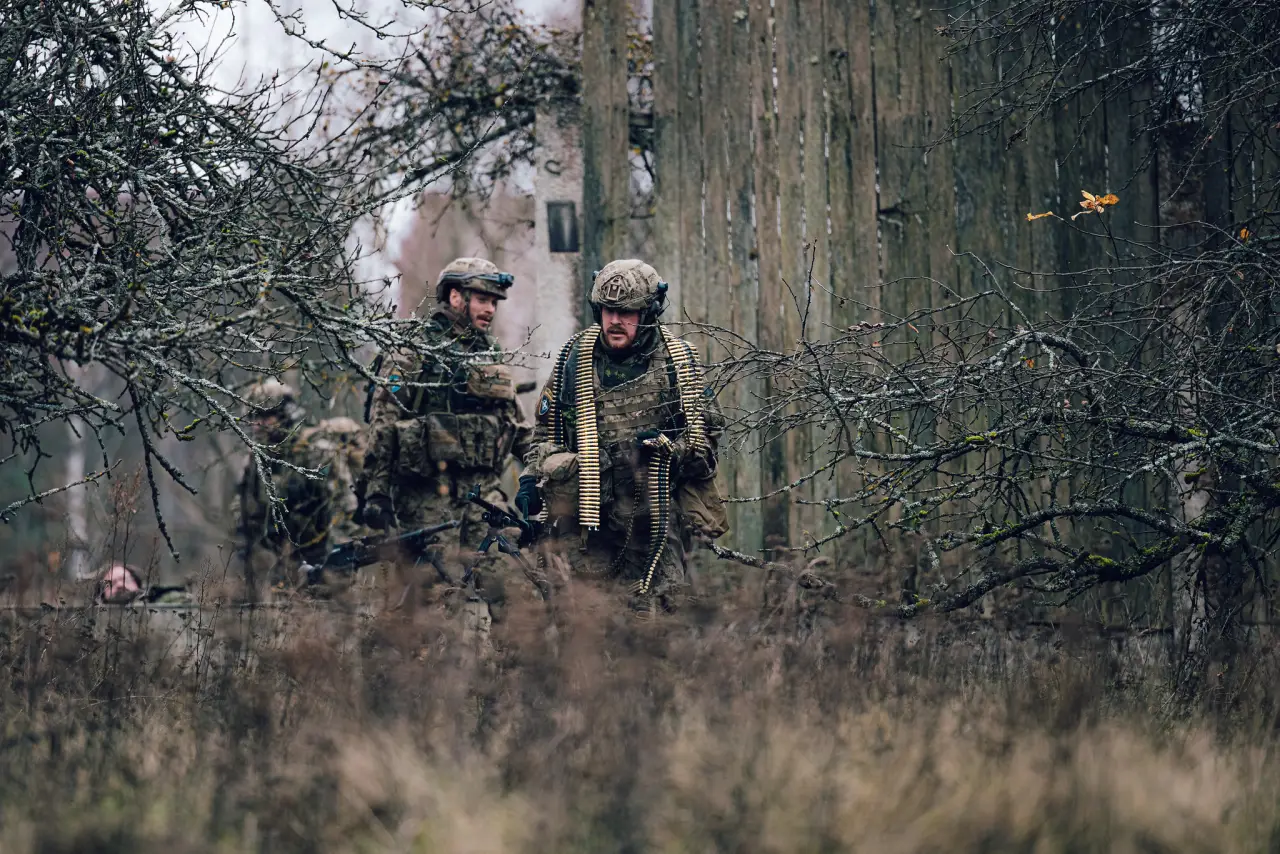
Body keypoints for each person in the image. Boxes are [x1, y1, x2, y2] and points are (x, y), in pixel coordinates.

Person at [520, 259, 729, 613]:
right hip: (586, 528)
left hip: (655, 528)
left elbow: (705, 451)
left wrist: (668, 451)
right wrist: (531, 481)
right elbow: (543, 437)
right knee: (584, 635)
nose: (615, 321)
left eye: (627, 312)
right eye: (607, 310)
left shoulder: (679, 364)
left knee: (655, 634)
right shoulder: (574, 360)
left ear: (648, 314)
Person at [360, 257, 533, 608]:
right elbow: (383, 422)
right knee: (432, 601)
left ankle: (513, 663)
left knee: (513, 594)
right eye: (482, 299)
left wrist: (540, 476)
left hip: (483, 495)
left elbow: (515, 425)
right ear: (456, 297)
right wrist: (375, 494)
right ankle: (402, 660)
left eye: (494, 302)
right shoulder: (414, 349)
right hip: (427, 496)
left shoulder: (490, 354)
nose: (490, 309)